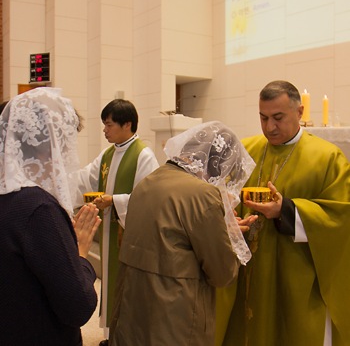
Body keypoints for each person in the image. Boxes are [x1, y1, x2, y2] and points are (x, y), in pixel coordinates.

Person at [220, 80, 350, 346]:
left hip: (297, 276)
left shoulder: (328, 157)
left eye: (278, 118)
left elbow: (340, 218)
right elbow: (223, 197)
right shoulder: (246, 151)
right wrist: (229, 218)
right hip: (250, 273)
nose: (270, 127)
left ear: (299, 112)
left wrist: (287, 211)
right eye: (263, 117)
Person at [108, 121, 258, 346]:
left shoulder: (149, 181)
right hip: (174, 316)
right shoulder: (203, 195)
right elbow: (222, 273)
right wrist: (230, 237)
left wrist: (219, 226)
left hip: (133, 306)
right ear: (217, 164)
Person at [0, 87, 101, 346]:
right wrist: (80, 254)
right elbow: (77, 307)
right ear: (50, 146)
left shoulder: (7, 195)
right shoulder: (38, 208)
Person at [71, 99, 159, 345]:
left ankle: (126, 337)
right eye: (104, 125)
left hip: (128, 237)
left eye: (109, 125)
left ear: (127, 124)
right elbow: (84, 182)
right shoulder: (108, 155)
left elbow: (149, 198)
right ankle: (111, 336)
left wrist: (115, 200)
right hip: (110, 235)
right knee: (110, 287)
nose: (105, 131)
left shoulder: (144, 154)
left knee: (127, 288)